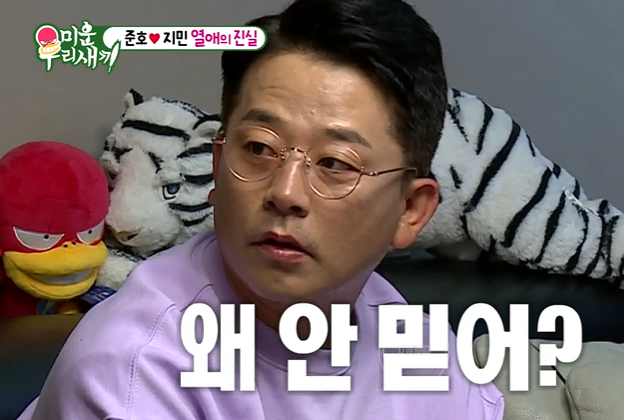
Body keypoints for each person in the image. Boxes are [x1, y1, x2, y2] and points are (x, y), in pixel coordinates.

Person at [19, 0, 504, 418]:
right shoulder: (132, 373)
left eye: (335, 163)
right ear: (217, 165)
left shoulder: (425, 351)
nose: (285, 192)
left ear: (410, 210)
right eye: (258, 148)